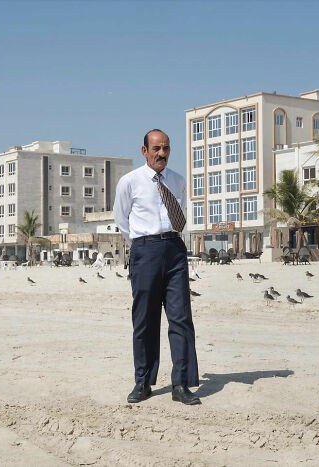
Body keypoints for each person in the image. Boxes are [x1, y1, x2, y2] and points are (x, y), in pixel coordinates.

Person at [113, 129, 200, 405]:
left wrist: (166, 243)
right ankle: (143, 382)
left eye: (166, 149)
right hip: (145, 251)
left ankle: (181, 384)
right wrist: (143, 244)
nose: (162, 154)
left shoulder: (178, 180)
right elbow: (122, 219)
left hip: (174, 250)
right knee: (145, 320)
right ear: (144, 151)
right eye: (156, 149)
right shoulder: (129, 182)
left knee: (181, 318)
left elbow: (180, 214)